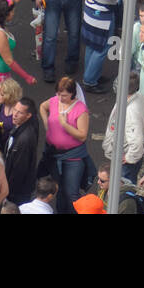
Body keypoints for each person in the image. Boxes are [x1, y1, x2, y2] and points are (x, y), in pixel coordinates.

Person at [38, 77, 91, 214]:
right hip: (54, 154)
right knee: (59, 189)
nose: (61, 98)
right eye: (59, 94)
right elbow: (43, 107)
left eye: (65, 95)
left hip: (73, 157)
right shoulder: (55, 101)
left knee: (71, 192)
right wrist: (46, 123)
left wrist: (64, 125)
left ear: (72, 93)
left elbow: (82, 135)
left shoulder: (81, 109)